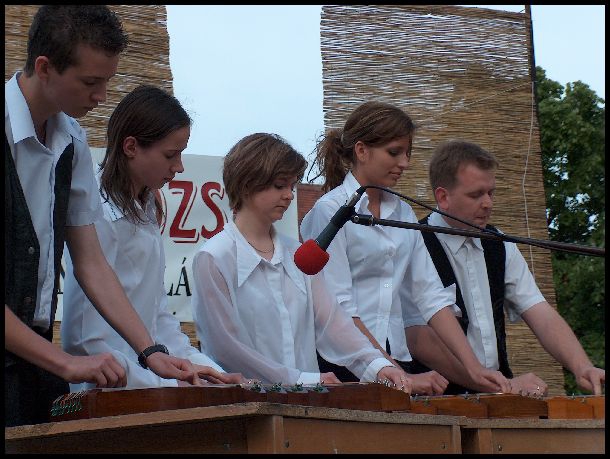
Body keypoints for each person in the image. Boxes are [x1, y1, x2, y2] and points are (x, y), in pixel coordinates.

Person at [5, 6, 198, 427]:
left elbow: (91, 263)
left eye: (107, 81)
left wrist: (151, 351)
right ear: (45, 67)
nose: (102, 96)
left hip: (32, 362)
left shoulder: (71, 139)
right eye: (91, 82)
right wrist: (65, 362)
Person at [300, 101, 511, 395]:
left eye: (407, 153)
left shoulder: (403, 213)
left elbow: (430, 294)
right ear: (361, 151)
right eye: (394, 152)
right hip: (343, 364)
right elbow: (339, 308)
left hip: (394, 357)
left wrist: (475, 369)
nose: (405, 163)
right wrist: (395, 374)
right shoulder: (330, 211)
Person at [191, 132, 410, 391]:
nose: (289, 195)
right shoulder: (214, 258)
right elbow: (226, 348)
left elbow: (333, 323)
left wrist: (377, 365)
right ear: (247, 184)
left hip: (305, 404)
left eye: (292, 186)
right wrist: (298, 379)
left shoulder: (298, 254)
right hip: (243, 406)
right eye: (279, 185)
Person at [61, 85, 246, 390]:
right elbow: (86, 340)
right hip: (106, 392)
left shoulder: (145, 206)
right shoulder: (96, 211)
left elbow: (158, 317)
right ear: (131, 146)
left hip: (144, 382)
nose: (179, 166)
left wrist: (210, 373)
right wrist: (168, 385)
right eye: (170, 155)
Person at [405, 139, 605, 396]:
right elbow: (418, 339)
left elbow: (539, 312)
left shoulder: (499, 243)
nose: (488, 203)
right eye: (476, 194)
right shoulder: (415, 243)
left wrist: (582, 366)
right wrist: (499, 385)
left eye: (491, 193)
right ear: (443, 197)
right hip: (434, 401)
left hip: (497, 395)